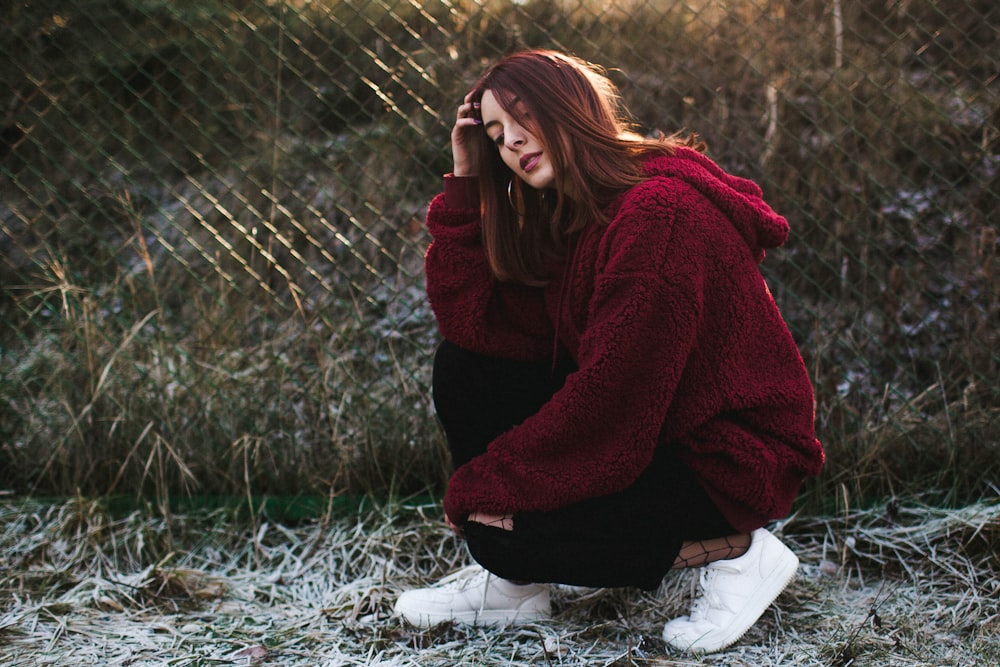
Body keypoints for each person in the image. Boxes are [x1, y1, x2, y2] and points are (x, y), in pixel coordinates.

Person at [394, 49, 824, 653]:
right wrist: (466, 181)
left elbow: (614, 405)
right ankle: (514, 590)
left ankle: (742, 552)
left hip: (726, 459)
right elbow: (478, 328)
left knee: (503, 533)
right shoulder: (579, 215)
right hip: (660, 431)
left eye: (522, 117)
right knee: (465, 369)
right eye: (496, 134)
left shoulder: (658, 215)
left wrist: (487, 486)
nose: (511, 142)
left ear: (570, 107)